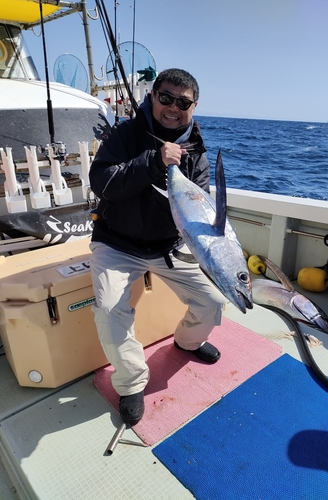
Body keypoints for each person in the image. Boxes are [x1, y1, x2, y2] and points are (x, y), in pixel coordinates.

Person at [89, 68, 227, 426]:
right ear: (152, 97)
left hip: (167, 246)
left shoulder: (196, 151)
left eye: (183, 102)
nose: (172, 107)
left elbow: (198, 204)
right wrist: (153, 162)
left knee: (213, 301)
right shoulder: (125, 133)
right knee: (108, 309)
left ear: (194, 106)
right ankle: (131, 382)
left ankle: (187, 342)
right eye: (165, 98)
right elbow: (101, 182)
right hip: (116, 242)